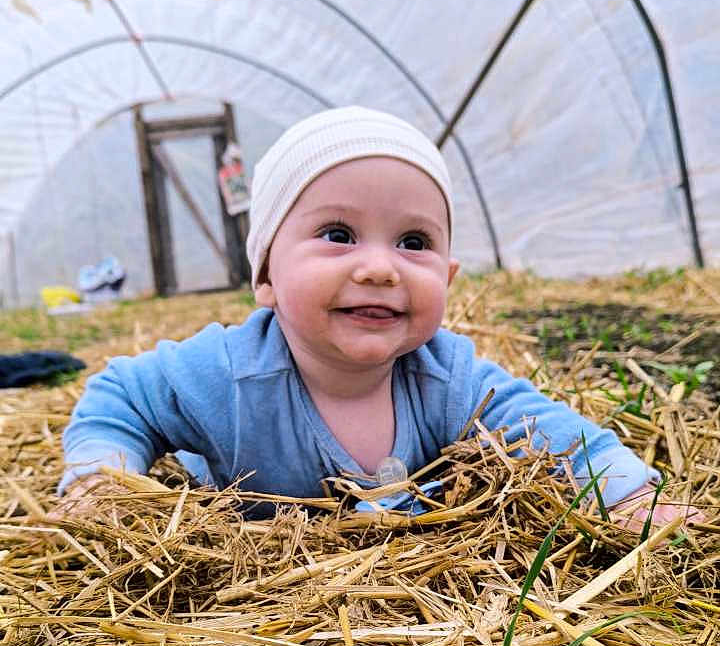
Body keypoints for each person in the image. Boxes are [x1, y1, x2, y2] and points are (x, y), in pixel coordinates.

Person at [57, 107, 696, 529]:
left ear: (447, 278)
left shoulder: (446, 377)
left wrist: (626, 493)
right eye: (338, 234)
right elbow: (124, 396)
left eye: (414, 243)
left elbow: (546, 429)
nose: (380, 268)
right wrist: (102, 479)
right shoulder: (227, 375)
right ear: (267, 276)